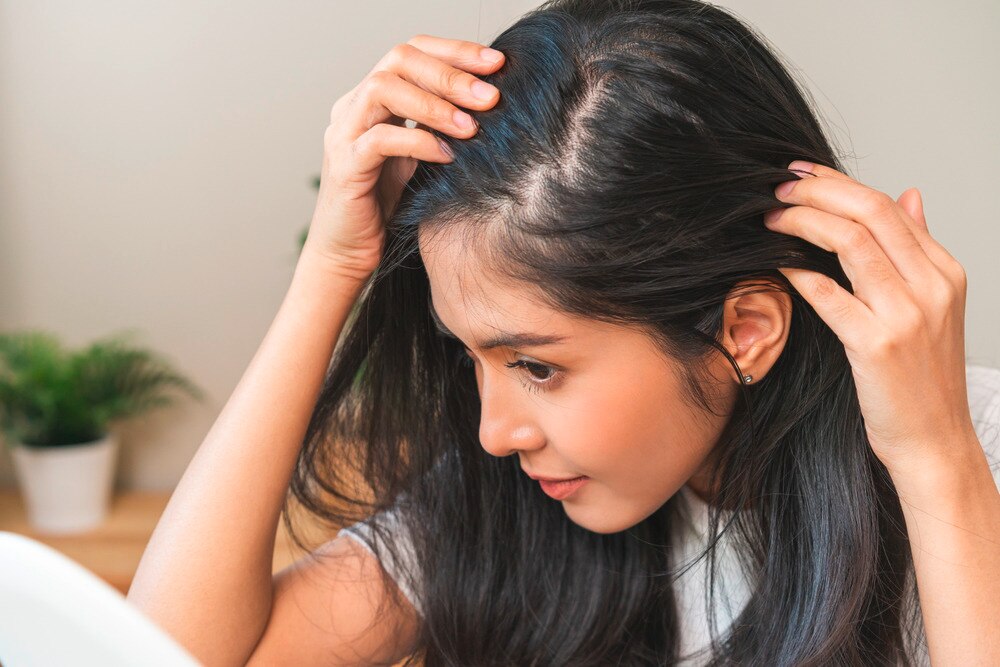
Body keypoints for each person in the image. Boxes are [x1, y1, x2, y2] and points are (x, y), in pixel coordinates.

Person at [127, 0, 1000, 665]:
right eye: (471, 355)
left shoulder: (971, 457)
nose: (493, 432)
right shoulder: (508, 505)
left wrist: (937, 461)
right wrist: (330, 269)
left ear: (745, 330)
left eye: (536, 366)